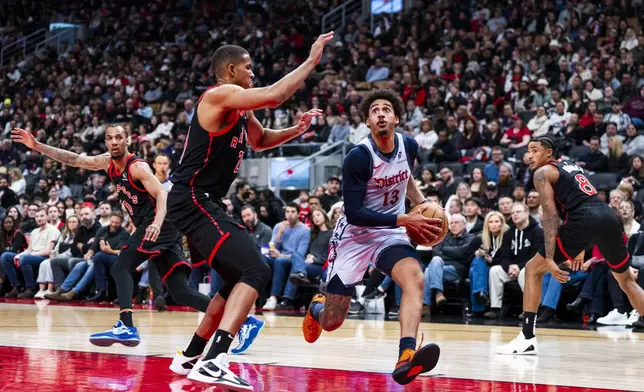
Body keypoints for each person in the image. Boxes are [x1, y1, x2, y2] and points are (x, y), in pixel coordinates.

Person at [166, 33, 335, 389]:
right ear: (231, 69)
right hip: (193, 197)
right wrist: (310, 61)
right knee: (256, 269)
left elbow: (259, 141)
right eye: (249, 67)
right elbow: (274, 96)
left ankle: (191, 356)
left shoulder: (240, 111)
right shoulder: (219, 95)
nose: (253, 73)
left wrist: (296, 130)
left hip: (200, 201)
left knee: (234, 280)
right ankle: (215, 360)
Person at [11, 126, 260, 352]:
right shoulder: (107, 163)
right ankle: (244, 322)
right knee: (181, 292)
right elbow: (76, 159)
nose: (114, 142)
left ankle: (126, 324)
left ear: (127, 140)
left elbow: (162, 195)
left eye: (119, 137)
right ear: (106, 142)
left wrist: (157, 223)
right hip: (159, 228)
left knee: (120, 267)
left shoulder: (137, 166)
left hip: (160, 223)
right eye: (109, 138)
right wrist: (37, 146)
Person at [302, 90, 443, 385]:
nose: (380, 113)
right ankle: (316, 305)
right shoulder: (359, 156)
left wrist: (424, 206)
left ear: (396, 118)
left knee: (415, 278)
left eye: (386, 109)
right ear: (367, 121)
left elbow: (406, 180)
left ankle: (406, 355)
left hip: (389, 233)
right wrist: (404, 217)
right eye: (374, 110)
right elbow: (354, 213)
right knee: (332, 322)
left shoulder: (410, 145)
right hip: (354, 236)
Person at [496, 136, 644, 355]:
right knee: (626, 281)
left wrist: (548, 258)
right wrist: (580, 249)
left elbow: (550, 217)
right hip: (606, 217)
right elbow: (582, 204)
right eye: (528, 151)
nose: (529, 156)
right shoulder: (571, 167)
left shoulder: (542, 173)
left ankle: (526, 338)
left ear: (549, 153)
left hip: (583, 219)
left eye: (535, 150)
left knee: (532, 270)